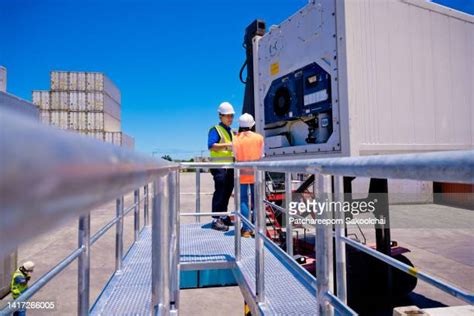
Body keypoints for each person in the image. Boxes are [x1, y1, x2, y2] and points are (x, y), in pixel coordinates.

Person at [233, 113, 264, 238]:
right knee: (257, 201)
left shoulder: (235, 138)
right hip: (256, 172)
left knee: (244, 200)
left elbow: (235, 156)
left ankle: (246, 229)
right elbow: (262, 156)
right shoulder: (259, 138)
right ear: (252, 125)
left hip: (242, 173)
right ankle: (257, 229)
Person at [208, 102, 236, 231]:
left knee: (227, 191)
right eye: (227, 116)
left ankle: (223, 216)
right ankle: (216, 219)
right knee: (220, 191)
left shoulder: (231, 131)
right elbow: (212, 145)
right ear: (220, 116)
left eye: (231, 116)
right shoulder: (215, 129)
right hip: (219, 166)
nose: (230, 118)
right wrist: (229, 145)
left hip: (229, 166)